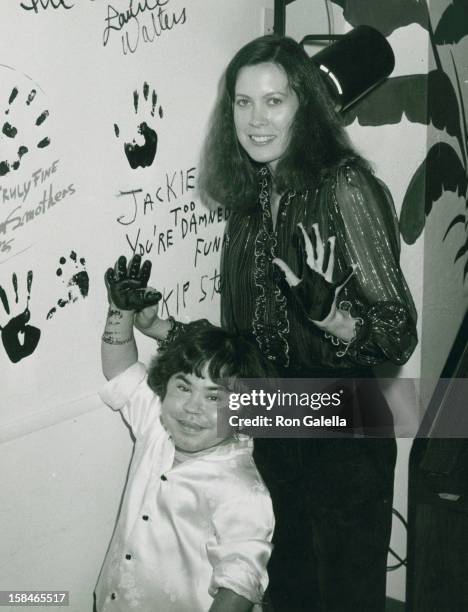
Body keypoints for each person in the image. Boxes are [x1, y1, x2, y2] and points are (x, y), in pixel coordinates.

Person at [136, 35, 418, 612]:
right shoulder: (248, 195)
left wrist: (331, 316)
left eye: (275, 101)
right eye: (243, 103)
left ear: (305, 104)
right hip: (267, 415)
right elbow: (247, 339)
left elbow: (397, 330)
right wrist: (165, 328)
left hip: (341, 423)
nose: (256, 119)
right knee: (284, 588)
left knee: (341, 597)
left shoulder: (344, 185)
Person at [94, 254, 275, 612]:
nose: (193, 408)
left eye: (214, 397)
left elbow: (239, 583)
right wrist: (120, 311)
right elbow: (120, 370)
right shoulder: (158, 426)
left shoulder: (243, 490)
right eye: (183, 388)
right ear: (165, 387)